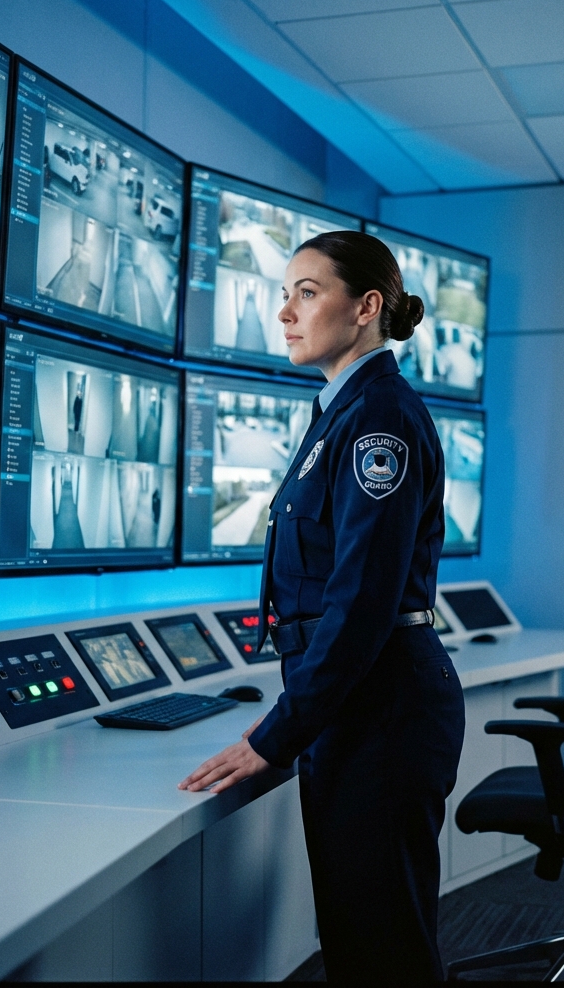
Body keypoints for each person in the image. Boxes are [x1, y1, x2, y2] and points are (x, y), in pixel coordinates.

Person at [179, 231, 465, 983]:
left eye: (308, 292)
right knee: (358, 939)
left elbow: (361, 604)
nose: (285, 312)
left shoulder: (378, 421)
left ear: (366, 307)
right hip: (358, 706)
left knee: (383, 951)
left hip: (382, 710)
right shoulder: (342, 412)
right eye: (284, 293)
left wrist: (275, 736)